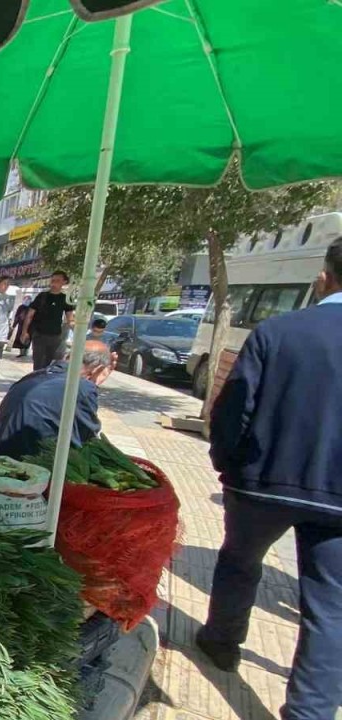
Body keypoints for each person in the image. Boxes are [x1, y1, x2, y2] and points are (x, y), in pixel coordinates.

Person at [197, 237, 342, 720]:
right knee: (329, 608)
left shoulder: (278, 331)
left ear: (324, 278)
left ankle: (221, 642)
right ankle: (310, 711)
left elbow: (234, 407)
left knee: (239, 562)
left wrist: (225, 461)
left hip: (261, 482)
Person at [0, 340, 115, 460]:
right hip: (22, 469)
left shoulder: (35, 376)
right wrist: (93, 385)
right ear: (98, 368)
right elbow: (88, 440)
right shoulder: (81, 387)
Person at [20, 271, 76, 371]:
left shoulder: (65, 298)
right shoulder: (42, 296)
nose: (54, 283)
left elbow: (70, 319)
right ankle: (36, 382)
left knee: (48, 364)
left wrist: (77, 332)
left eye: (58, 281)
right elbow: (29, 315)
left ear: (64, 282)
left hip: (55, 336)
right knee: (38, 364)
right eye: (53, 280)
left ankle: (42, 382)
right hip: (39, 335)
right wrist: (24, 332)